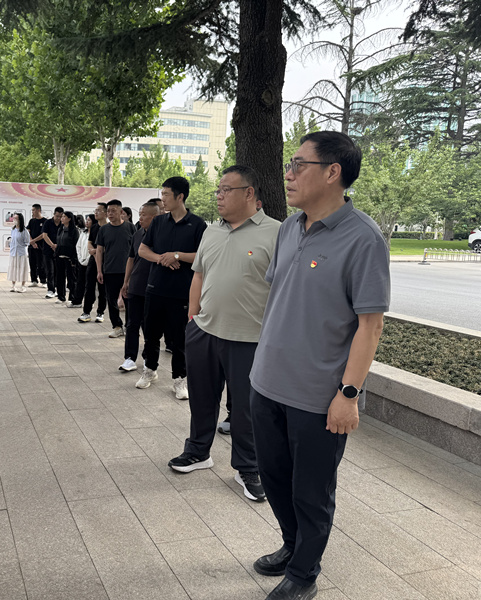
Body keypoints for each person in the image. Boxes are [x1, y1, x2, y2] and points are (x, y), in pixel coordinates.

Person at [249, 132, 390, 600]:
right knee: (273, 478)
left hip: (317, 396)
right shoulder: (291, 227)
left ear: (333, 172)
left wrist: (348, 394)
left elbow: (370, 326)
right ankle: (292, 546)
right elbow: (282, 297)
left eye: (298, 164)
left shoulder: (364, 239)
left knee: (310, 491)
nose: (288, 174)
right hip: (267, 383)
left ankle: (304, 573)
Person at [167, 166, 280, 507]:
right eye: (218, 189)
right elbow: (199, 274)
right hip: (204, 331)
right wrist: (193, 317)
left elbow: (284, 288)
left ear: (249, 193)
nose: (218, 195)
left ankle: (248, 468)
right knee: (202, 398)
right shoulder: (211, 231)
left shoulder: (277, 232)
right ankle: (198, 451)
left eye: (226, 189)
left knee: (246, 409)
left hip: (250, 338)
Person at [137, 177, 207, 399]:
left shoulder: (198, 224)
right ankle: (150, 369)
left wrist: (177, 255)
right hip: (155, 288)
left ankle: (179, 379)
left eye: (166, 194)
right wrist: (162, 258)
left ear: (180, 196)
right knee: (151, 334)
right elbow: (142, 250)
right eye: (162, 194)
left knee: (179, 340)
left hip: (182, 292)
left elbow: (203, 256)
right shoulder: (158, 222)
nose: (163, 199)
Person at [118, 201, 160, 372]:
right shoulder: (137, 234)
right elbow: (131, 259)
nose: (140, 218)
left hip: (154, 287)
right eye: (140, 214)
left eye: (144, 215)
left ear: (155, 217)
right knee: (132, 323)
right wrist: (126, 282)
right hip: (136, 285)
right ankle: (129, 358)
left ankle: (148, 359)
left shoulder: (162, 236)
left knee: (150, 327)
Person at [96, 199, 135, 338]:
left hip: (128, 271)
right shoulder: (103, 229)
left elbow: (136, 249)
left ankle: (130, 327)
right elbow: (99, 250)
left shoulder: (130, 227)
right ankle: (117, 326)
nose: (110, 214)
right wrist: (99, 270)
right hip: (110, 270)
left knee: (129, 300)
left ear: (121, 211)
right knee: (111, 300)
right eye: (108, 211)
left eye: (113, 211)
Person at [78, 203, 108, 323]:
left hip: (105, 260)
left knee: (102, 288)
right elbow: (90, 242)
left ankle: (100, 312)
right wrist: (93, 251)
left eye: (98, 210)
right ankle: (86, 312)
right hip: (93, 260)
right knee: (89, 286)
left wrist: (98, 251)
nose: (96, 212)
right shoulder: (94, 227)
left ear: (105, 213)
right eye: (95, 210)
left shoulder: (109, 228)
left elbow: (109, 246)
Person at [48, 211, 79, 304]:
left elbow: (76, 245)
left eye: (64, 217)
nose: (62, 218)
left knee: (71, 279)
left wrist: (74, 258)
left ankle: (72, 298)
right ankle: (61, 297)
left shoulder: (74, 231)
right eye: (62, 216)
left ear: (69, 219)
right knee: (60, 278)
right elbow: (58, 242)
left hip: (70, 257)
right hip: (59, 256)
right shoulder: (60, 229)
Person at [41, 207, 63, 298]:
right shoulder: (48, 222)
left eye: (60, 216)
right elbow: (44, 236)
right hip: (48, 251)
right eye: (57, 216)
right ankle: (50, 290)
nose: (58, 218)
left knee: (58, 271)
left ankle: (57, 289)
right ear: (54, 214)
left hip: (59, 251)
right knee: (50, 270)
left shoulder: (63, 224)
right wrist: (52, 245)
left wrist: (58, 245)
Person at [7, 212, 31, 292]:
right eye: (14, 218)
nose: (14, 220)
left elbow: (27, 242)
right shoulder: (13, 229)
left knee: (22, 269)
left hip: (21, 253)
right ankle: (13, 285)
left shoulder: (24, 231)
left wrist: (20, 245)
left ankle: (23, 286)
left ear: (20, 220)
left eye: (16, 218)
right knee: (13, 268)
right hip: (13, 252)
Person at [70, 214, 90, 308]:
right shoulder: (83, 233)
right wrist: (80, 258)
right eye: (86, 220)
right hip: (81, 261)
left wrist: (87, 259)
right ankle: (77, 301)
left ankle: (89, 303)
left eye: (89, 220)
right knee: (80, 282)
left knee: (89, 284)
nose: (87, 222)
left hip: (90, 261)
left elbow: (94, 249)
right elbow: (78, 246)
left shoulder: (96, 233)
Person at [27, 204, 47, 287]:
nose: (32, 212)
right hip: (32, 246)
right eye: (32, 210)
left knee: (41, 264)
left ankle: (43, 281)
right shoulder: (32, 221)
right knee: (32, 264)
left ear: (38, 210)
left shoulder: (45, 221)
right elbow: (28, 231)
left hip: (41, 246)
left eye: (33, 210)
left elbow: (43, 234)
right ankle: (34, 280)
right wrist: (32, 242)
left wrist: (34, 241)